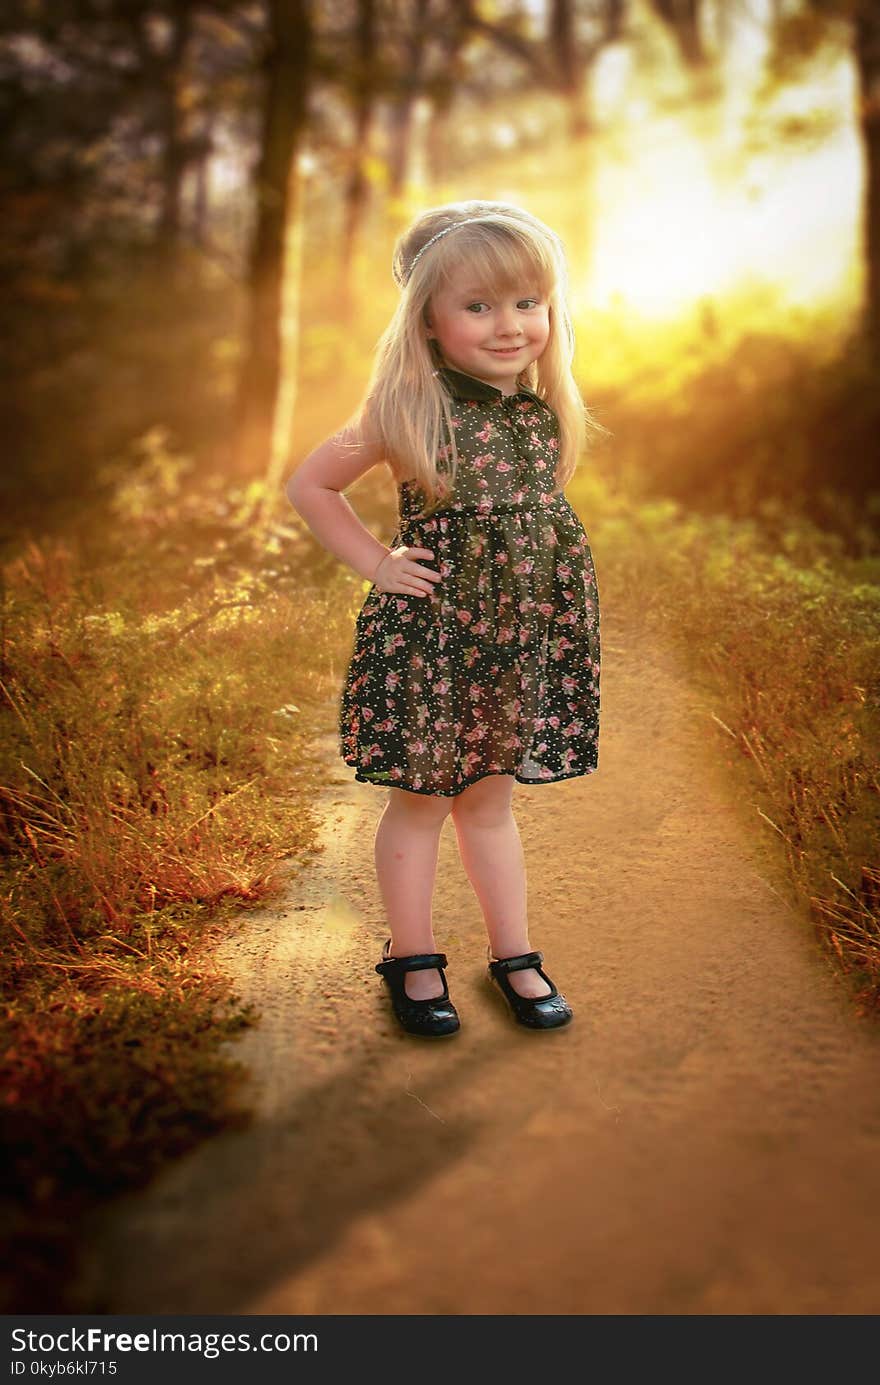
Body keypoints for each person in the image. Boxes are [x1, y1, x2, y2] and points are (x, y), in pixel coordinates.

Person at [286, 200, 603, 1039]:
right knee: (424, 801)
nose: (510, 326)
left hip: (512, 642)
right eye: (479, 305)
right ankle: (414, 953)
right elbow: (311, 484)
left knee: (492, 799)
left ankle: (514, 951)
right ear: (426, 318)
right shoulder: (409, 408)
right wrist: (378, 565)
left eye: (527, 303)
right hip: (434, 639)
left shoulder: (540, 409)